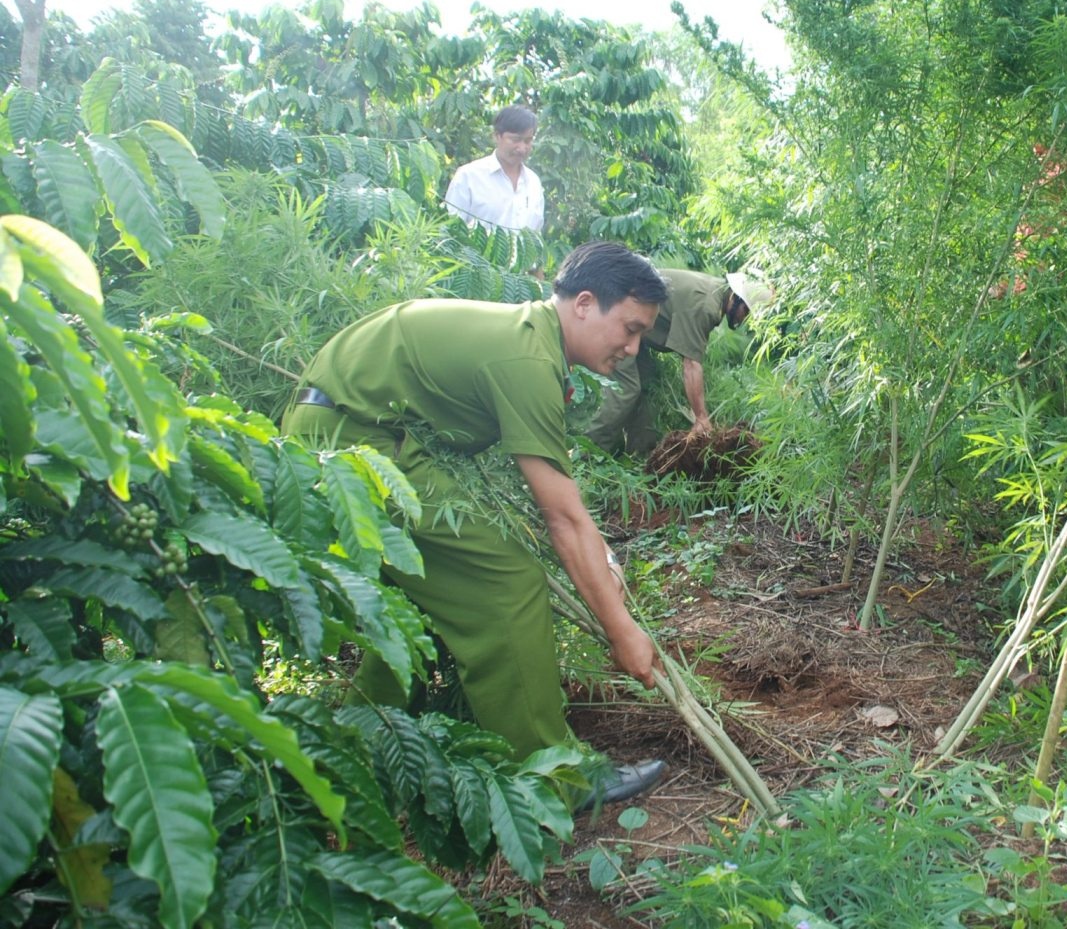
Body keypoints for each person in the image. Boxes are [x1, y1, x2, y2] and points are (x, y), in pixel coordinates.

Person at [281, 241, 669, 803]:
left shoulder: (529, 339)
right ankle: (553, 780)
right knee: (504, 584)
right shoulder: (528, 359)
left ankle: (350, 755)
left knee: (432, 596)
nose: (633, 349)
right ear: (584, 304)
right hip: (354, 443)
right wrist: (622, 632)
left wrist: (601, 559)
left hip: (344, 429)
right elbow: (561, 518)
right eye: (630, 329)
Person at [583, 268, 775, 456]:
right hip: (618, 320)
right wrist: (701, 418)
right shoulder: (706, 306)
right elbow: (691, 364)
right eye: (746, 312)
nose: (745, 319)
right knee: (626, 388)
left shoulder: (715, 292)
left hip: (635, 329)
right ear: (736, 300)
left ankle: (640, 453)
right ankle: (590, 453)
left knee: (649, 381)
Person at [443, 104, 546, 234]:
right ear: (497, 136)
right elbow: (450, 234)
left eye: (528, 141)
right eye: (515, 140)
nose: (522, 148)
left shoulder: (533, 183)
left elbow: (536, 237)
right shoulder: (469, 176)